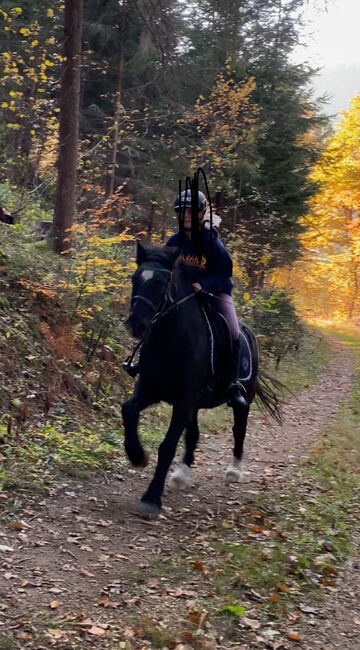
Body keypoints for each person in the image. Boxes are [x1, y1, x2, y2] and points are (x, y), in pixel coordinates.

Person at [166, 189, 248, 408]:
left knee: (233, 330)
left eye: (191, 212)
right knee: (158, 317)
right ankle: (144, 365)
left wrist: (204, 285)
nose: (186, 216)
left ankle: (233, 384)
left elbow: (225, 274)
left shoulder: (213, 244)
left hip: (216, 294)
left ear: (201, 214)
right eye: (182, 212)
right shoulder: (174, 241)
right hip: (184, 297)